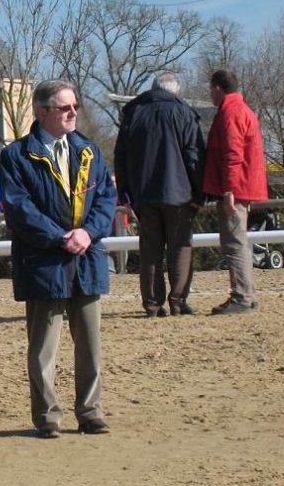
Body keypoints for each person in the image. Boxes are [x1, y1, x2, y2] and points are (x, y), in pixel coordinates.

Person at [0, 79, 117, 439]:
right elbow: (19, 208)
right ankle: (47, 415)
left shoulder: (89, 151)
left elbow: (106, 200)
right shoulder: (16, 156)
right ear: (41, 111)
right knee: (43, 348)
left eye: (75, 106)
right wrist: (59, 237)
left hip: (86, 258)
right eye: (65, 107)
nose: (73, 113)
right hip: (44, 261)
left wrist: (87, 233)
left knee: (90, 346)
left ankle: (90, 411)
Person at [114, 73, 205, 317]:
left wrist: (125, 194)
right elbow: (194, 156)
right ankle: (178, 300)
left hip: (143, 194)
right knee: (180, 248)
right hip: (179, 193)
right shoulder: (184, 113)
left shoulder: (133, 114)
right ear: (176, 91)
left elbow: (120, 157)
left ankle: (152, 305)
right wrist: (200, 193)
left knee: (150, 251)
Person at [202, 69, 268, 314]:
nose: (209, 93)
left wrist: (228, 189)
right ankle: (247, 294)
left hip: (235, 188)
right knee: (239, 241)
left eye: (210, 89)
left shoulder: (230, 113)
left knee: (234, 242)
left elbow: (232, 154)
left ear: (218, 88)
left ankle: (242, 296)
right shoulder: (243, 110)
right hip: (245, 187)